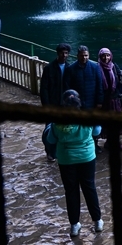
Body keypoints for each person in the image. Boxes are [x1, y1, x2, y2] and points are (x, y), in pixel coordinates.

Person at [46, 89, 104, 236]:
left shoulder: (57, 123)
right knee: (89, 187)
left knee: (71, 191)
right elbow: (97, 131)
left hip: (66, 159)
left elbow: (50, 140)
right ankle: (97, 221)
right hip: (87, 157)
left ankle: (74, 225)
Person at [40, 43, 72, 162]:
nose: (64, 55)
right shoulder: (49, 68)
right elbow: (44, 89)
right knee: (50, 129)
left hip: (65, 105)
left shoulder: (70, 68)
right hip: (52, 103)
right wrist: (46, 105)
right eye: (62, 53)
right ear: (57, 53)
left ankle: (61, 151)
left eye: (66, 53)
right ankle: (49, 152)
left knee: (65, 128)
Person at [63, 45, 104, 110]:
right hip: (76, 102)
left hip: (92, 102)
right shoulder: (71, 69)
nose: (84, 57)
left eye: (86, 55)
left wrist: (99, 101)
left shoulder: (95, 67)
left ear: (89, 55)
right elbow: (67, 86)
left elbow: (99, 86)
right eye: (81, 56)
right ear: (77, 56)